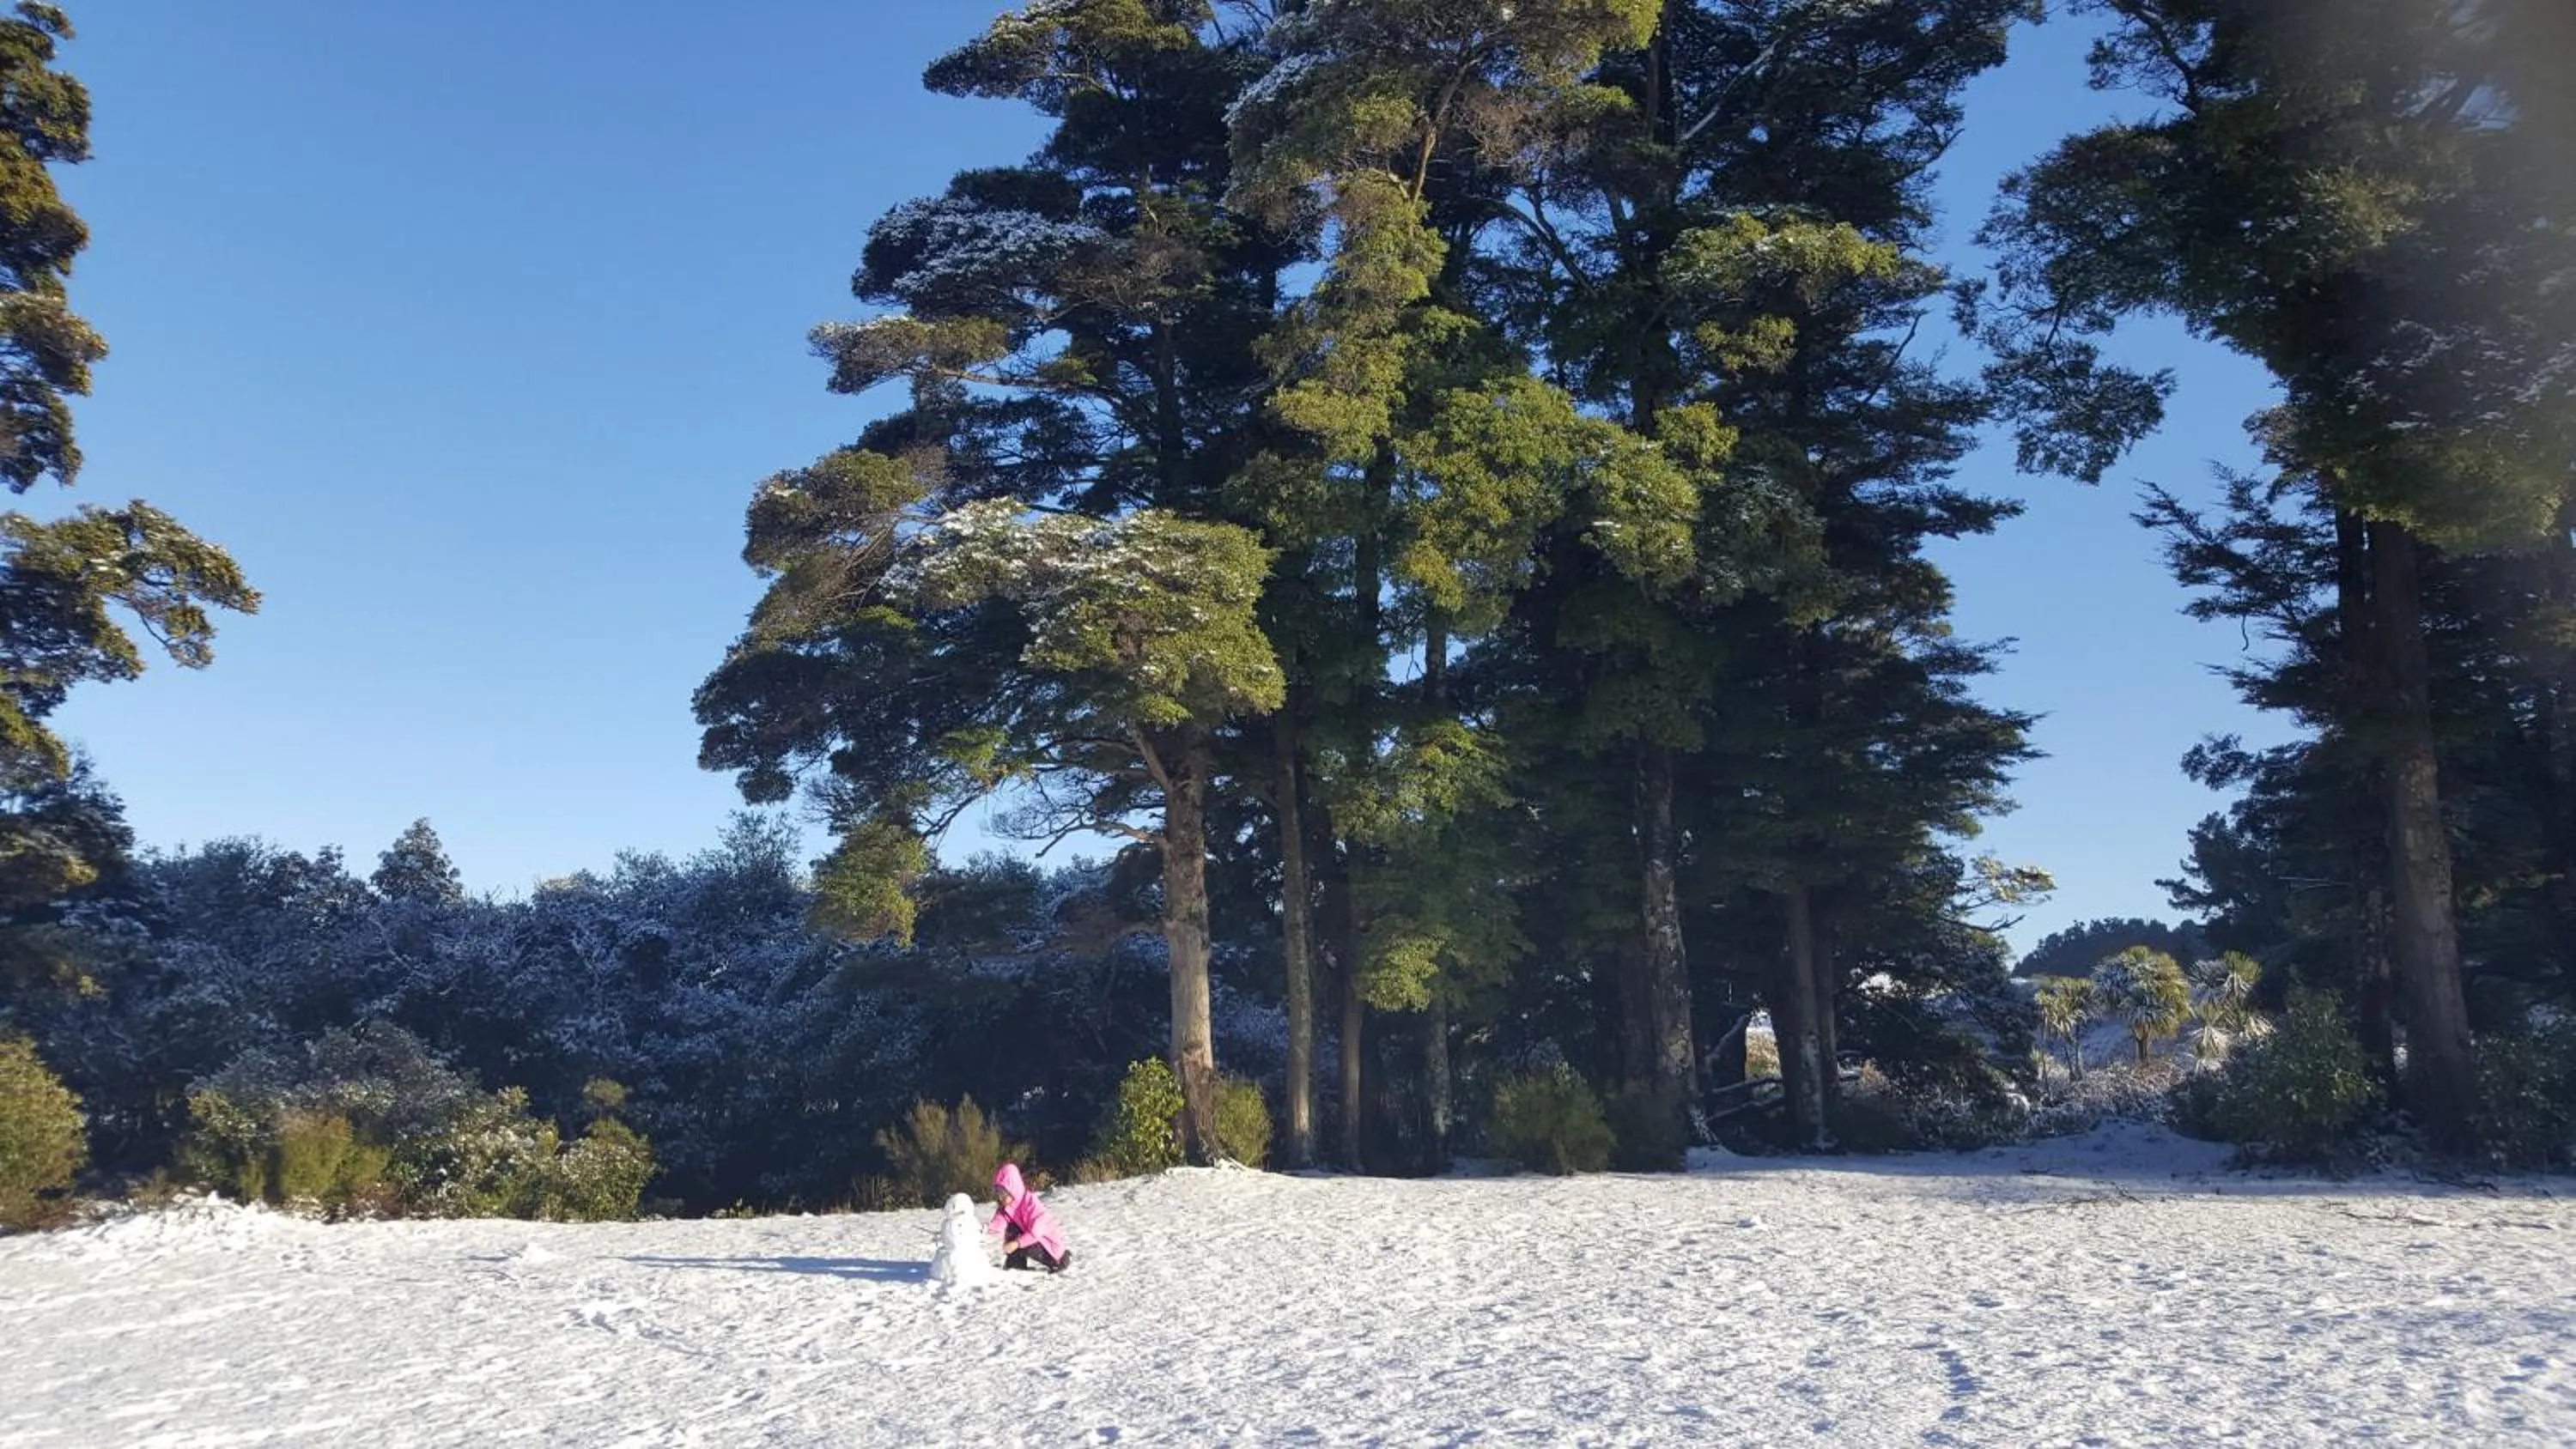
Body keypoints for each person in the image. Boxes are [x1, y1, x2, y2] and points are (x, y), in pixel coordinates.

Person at [987, 1161, 1071, 1273]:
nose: (999, 1197)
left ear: (1013, 1189)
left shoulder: (1030, 1203)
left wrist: (1016, 1243)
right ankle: (1015, 1266)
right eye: (997, 1193)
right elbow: (997, 1225)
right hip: (1033, 1242)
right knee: (1013, 1228)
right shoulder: (1007, 1208)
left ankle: (1059, 1261)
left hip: (1053, 1253)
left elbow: (1035, 1233)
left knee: (1017, 1235)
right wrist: (983, 1229)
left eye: (1002, 1193)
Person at [929, 1191, 997, 1287]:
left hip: (964, 1257)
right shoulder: (957, 1222)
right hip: (961, 1258)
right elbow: (955, 1240)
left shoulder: (963, 1222)